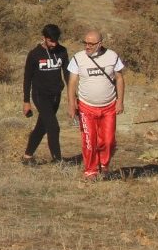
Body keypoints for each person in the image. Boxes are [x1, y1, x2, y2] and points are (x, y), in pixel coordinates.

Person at [66, 30, 126, 180]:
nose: (87, 46)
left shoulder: (112, 56)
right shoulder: (78, 58)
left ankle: (104, 165)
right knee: (89, 141)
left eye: (91, 44)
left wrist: (120, 101)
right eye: (85, 43)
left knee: (108, 140)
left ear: (100, 43)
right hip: (86, 106)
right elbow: (72, 82)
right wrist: (71, 103)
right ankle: (91, 170)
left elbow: (119, 78)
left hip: (109, 106)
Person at [22, 24, 69, 164]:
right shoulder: (34, 54)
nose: (54, 44)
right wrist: (26, 101)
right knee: (53, 127)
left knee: (42, 127)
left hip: (55, 95)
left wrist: (73, 96)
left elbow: (67, 74)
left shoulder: (62, 51)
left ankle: (27, 156)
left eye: (56, 40)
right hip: (40, 95)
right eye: (50, 41)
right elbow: (27, 78)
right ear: (44, 38)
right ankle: (58, 160)